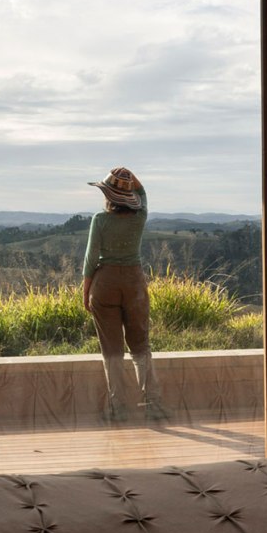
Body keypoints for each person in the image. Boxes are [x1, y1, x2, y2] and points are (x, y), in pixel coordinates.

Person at [81, 166, 166, 422]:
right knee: (141, 346)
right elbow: (143, 191)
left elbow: (90, 259)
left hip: (104, 283)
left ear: (108, 195)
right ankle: (153, 405)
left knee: (112, 351)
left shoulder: (100, 220)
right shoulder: (139, 217)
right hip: (134, 282)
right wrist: (129, 178)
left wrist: (85, 293)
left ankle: (118, 409)